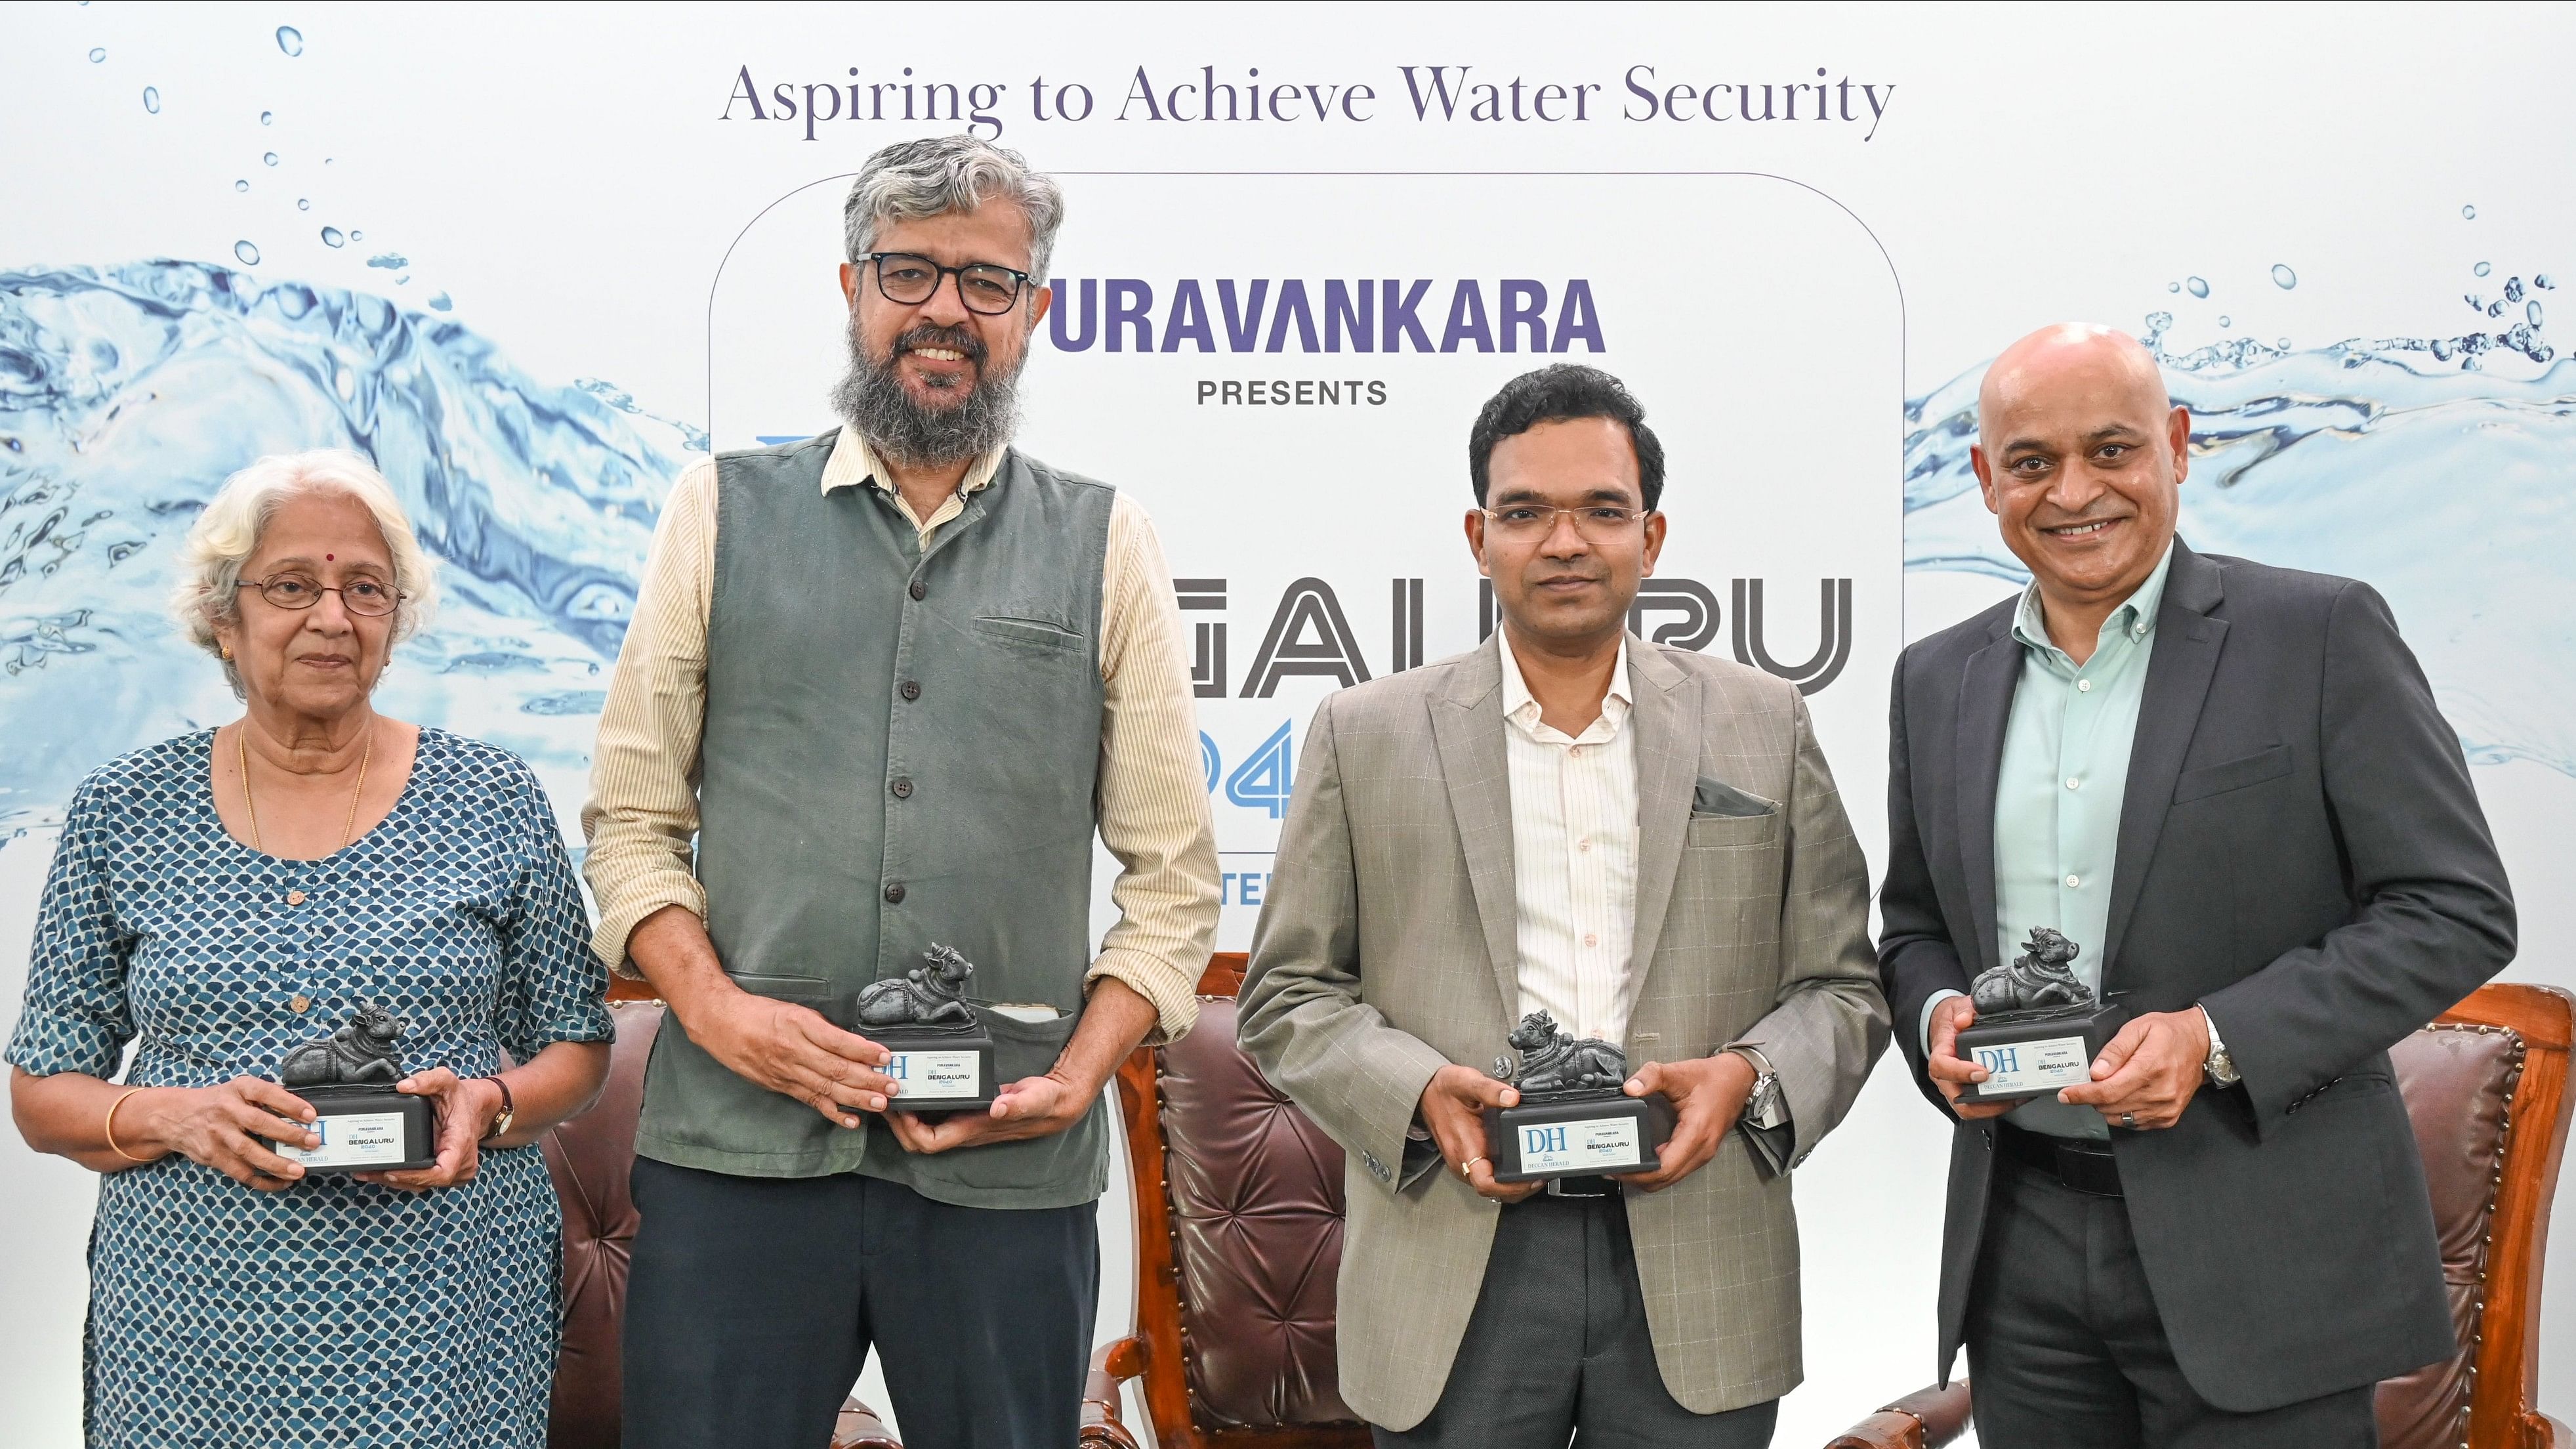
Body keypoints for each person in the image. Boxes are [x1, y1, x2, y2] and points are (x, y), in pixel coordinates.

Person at [582, 135, 1219, 1449]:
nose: (945, 310)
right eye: (909, 271)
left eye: (987, 283)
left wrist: (1077, 1072)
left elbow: (1172, 883)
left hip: (1007, 1170)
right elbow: (633, 823)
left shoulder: (1107, 539)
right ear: (852, 288)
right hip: (736, 1160)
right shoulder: (717, 509)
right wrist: (716, 1011)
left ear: (1035, 313)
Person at [1878, 324, 2518, 1446]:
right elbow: (1917, 926)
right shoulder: (1935, 680)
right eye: (2030, 462)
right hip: (2018, 1254)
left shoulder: (2319, 633)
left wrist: (2215, 1037)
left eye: (2112, 450)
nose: (2073, 492)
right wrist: (1937, 1015)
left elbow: (2453, 908)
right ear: (1984, 481)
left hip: (2267, 1252)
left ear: (2177, 447)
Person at [1237, 365, 1888, 1448]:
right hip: (1459, 1259)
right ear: (1477, 535)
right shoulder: (1367, 733)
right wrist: (1417, 1094)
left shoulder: (1763, 723)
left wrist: (1748, 1077)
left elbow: (1840, 985)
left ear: (1653, 533)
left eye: (1601, 509)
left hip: (1699, 1260)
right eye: (1525, 512)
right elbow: (1287, 996)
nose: (1564, 542)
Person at [6, 450, 614, 1449]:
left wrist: (488, 1103)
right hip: (189, 1326)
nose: (332, 618)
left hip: (442, 1314)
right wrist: (181, 1116)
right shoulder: (123, 811)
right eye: (292, 585)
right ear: (221, 615)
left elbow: (577, 1045)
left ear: (393, 621)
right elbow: (42, 1094)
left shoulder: (492, 798)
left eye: (365, 590)